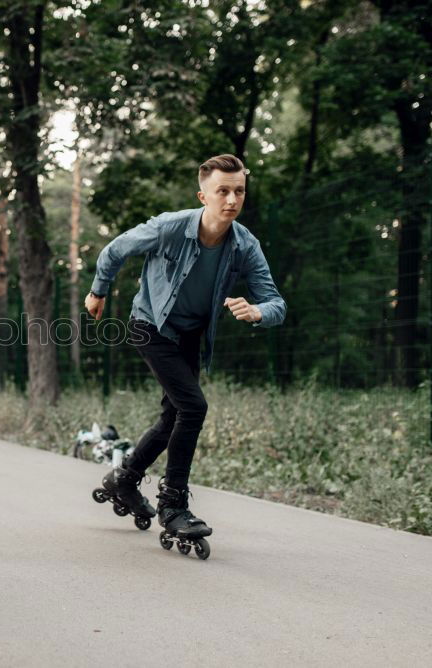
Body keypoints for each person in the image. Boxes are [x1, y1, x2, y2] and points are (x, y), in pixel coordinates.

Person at [86, 154, 285, 559]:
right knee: (193, 406)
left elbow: (276, 301)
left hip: (191, 335)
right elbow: (114, 250)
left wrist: (259, 311)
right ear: (203, 195)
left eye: (239, 191)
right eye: (223, 191)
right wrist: (98, 291)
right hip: (150, 324)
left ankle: (124, 478)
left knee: (174, 414)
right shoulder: (170, 227)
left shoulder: (245, 245)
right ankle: (173, 503)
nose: (232, 200)